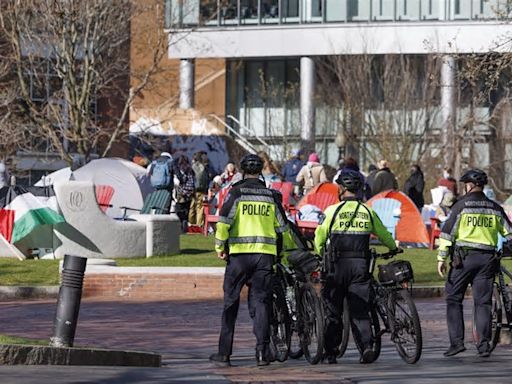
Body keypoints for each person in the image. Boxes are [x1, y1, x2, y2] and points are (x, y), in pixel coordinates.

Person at [209, 154, 291, 368]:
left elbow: (223, 223)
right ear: (261, 171)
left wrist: (220, 247)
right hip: (264, 257)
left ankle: (224, 353)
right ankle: (263, 353)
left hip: (238, 257)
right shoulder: (271, 196)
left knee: (230, 304)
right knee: (261, 303)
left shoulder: (235, 193)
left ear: (242, 172)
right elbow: (283, 228)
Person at [314, 169, 399, 364]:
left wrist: (320, 253)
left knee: (333, 310)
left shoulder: (332, 211)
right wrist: (393, 247)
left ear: (342, 190)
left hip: (336, 266)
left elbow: (320, 237)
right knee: (360, 309)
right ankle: (366, 347)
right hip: (360, 266)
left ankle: (331, 353)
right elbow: (384, 233)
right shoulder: (367, 211)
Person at [437, 169, 512, 358]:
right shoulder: (494, 207)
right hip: (488, 260)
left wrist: (441, 258)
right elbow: (509, 233)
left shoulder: (460, 206)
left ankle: (457, 343)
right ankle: (484, 345)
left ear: (469, 185)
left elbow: (447, 234)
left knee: (454, 298)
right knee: (483, 303)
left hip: (464, 260)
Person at [174, 155, 195, 233]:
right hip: (188, 197)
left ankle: (179, 231)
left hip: (180, 197)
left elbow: (178, 184)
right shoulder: (190, 171)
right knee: (185, 216)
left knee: (179, 215)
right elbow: (192, 184)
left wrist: (181, 192)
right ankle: (184, 231)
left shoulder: (180, 172)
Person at [189, 151, 209, 227]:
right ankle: (199, 225)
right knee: (200, 207)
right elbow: (205, 179)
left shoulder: (192, 166)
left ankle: (191, 223)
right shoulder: (204, 167)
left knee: (192, 207)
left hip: (192, 190)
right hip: (201, 190)